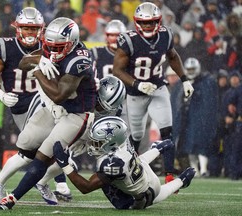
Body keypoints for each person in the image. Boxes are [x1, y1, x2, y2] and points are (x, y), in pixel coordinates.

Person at [0, 17, 97, 210]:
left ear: (72, 42)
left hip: (77, 114)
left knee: (46, 155)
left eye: (59, 47)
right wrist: (39, 58)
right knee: (28, 145)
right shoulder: (51, 47)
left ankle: (12, 199)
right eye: (50, 47)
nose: (53, 51)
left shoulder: (79, 60)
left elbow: (59, 95)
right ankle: (1, 186)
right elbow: (23, 63)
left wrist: (38, 72)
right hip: (57, 109)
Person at [0, 7, 71, 204]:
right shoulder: (6, 46)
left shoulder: (49, 46)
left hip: (43, 101)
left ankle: (45, 181)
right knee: (39, 151)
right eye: (26, 28)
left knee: (56, 147)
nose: (30, 33)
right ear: (18, 28)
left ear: (41, 29)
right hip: (20, 106)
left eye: (34, 29)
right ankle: (46, 182)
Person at [112, 2, 194, 183]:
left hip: (158, 88)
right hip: (135, 93)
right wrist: (137, 84)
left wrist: (184, 79)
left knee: (167, 130)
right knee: (137, 136)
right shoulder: (128, 39)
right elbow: (116, 70)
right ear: (136, 22)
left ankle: (170, 175)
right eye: (144, 22)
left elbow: (172, 56)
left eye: (151, 22)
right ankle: (130, 173)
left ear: (158, 21)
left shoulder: (165, 34)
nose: (148, 26)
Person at [52, 116, 196, 209]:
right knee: (136, 164)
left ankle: (181, 180)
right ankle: (176, 170)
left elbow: (85, 187)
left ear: (111, 143)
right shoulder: (122, 142)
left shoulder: (113, 163)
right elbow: (136, 161)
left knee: (110, 188)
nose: (93, 145)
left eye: (98, 142)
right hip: (141, 170)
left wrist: (64, 163)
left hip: (145, 194)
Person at [171, 57, 218, 177]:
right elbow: (176, 100)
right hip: (185, 118)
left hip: (200, 118)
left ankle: (203, 169)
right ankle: (194, 169)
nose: (191, 71)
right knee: (189, 144)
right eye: (189, 69)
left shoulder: (207, 81)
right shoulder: (181, 82)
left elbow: (209, 101)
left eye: (193, 69)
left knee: (201, 144)